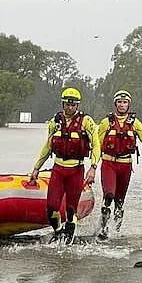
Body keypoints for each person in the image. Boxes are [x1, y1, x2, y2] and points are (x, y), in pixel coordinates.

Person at [29, 87, 101, 244]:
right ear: (62, 104)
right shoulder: (54, 122)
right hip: (58, 169)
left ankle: (69, 238)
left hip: (76, 169)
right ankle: (57, 232)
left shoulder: (86, 122)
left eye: (73, 105)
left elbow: (96, 146)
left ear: (78, 105)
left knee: (70, 209)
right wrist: (36, 168)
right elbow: (47, 147)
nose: (70, 108)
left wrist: (93, 167)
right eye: (67, 105)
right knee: (52, 207)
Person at [96, 89, 142, 240]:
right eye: (119, 102)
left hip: (125, 165)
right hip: (108, 163)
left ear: (129, 104)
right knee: (109, 196)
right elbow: (97, 146)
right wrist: (92, 167)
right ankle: (104, 230)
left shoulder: (135, 123)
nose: (122, 105)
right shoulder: (106, 123)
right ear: (115, 104)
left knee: (119, 201)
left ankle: (115, 232)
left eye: (125, 102)